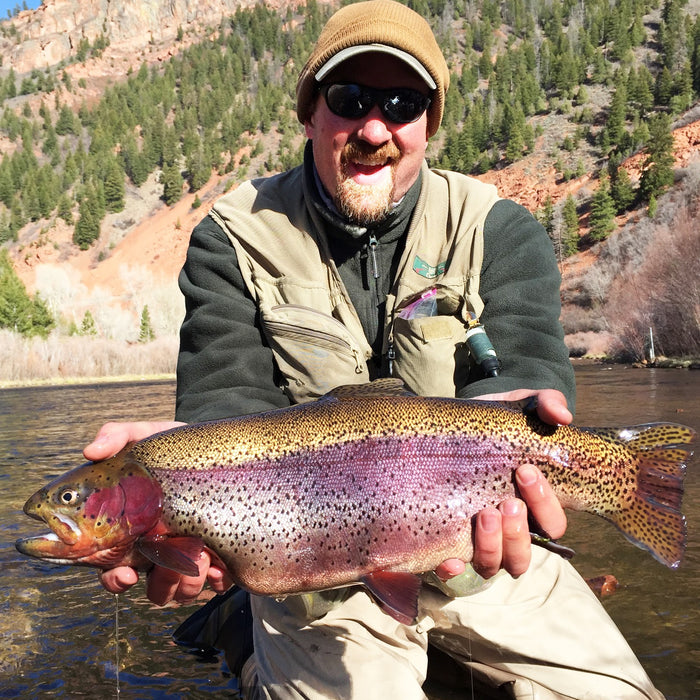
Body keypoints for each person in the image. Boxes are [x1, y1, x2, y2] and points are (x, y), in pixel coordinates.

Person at [85, 2, 664, 698]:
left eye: (402, 103)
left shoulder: (499, 227)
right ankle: (244, 626)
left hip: (482, 555)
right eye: (349, 99)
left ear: (429, 123)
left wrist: (521, 431)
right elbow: (228, 406)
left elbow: (525, 373)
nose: (373, 128)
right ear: (310, 114)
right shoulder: (232, 237)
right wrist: (186, 490)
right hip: (313, 584)